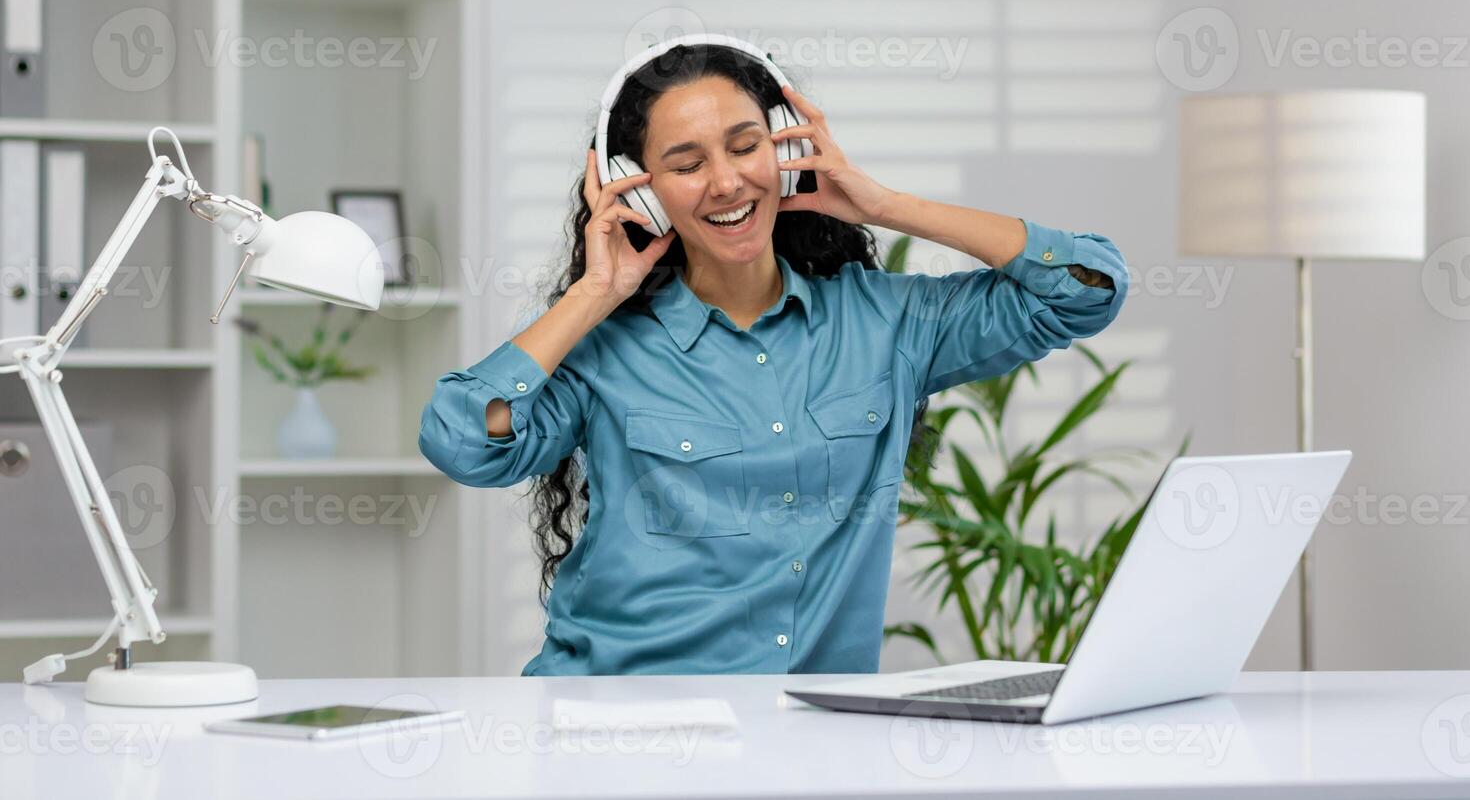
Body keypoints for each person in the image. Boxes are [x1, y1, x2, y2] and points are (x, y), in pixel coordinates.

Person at [419, 36, 1128, 676]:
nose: (726, 182)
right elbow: (461, 442)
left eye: (744, 145)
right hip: (617, 724)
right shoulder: (603, 347)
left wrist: (884, 204)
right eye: (686, 163)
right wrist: (596, 292)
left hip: (809, 739)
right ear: (641, 189)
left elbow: (1088, 289)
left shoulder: (886, 322)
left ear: (787, 151)